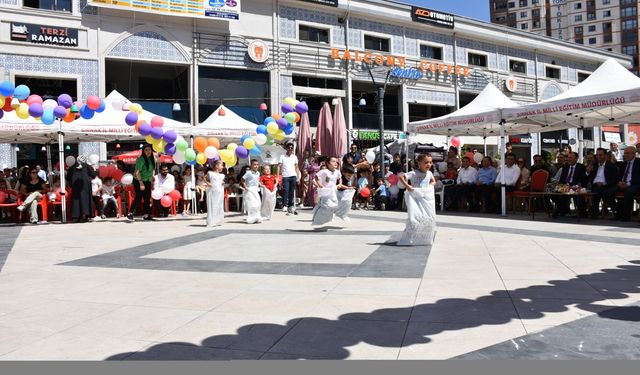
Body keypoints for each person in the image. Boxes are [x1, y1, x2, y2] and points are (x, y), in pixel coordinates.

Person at [397, 153, 436, 246]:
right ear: (419, 163)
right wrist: (408, 186)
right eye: (426, 162)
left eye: (430, 162)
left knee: (427, 217)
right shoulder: (414, 173)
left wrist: (429, 187)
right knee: (414, 217)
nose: (429, 164)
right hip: (415, 198)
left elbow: (433, 181)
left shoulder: (429, 173)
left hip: (425, 198)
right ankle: (410, 237)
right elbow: (401, 177)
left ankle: (423, 239)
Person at [602, 146, 640, 222]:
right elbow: (618, 176)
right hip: (622, 184)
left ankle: (626, 216)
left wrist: (628, 184)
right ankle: (619, 211)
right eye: (625, 153)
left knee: (628, 192)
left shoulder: (638, 162)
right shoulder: (623, 164)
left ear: (633, 154)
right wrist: (619, 182)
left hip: (635, 184)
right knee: (606, 193)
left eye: (628, 153)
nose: (625, 155)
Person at [312, 156, 351, 226]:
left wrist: (340, 184)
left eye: (336, 161)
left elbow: (340, 178)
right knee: (328, 205)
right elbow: (316, 177)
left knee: (334, 204)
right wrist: (320, 185)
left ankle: (330, 215)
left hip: (333, 191)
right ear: (328, 163)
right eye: (333, 161)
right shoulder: (324, 171)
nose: (335, 163)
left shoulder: (337, 172)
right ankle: (317, 215)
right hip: (325, 191)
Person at [552, 152, 588, 218]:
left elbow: (582, 179)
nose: (569, 159)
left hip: (575, 186)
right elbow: (562, 180)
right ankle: (562, 209)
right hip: (565, 185)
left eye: (571, 158)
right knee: (554, 193)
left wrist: (574, 185)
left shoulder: (581, 167)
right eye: (568, 157)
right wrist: (559, 184)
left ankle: (581, 212)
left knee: (577, 193)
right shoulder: (565, 167)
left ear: (576, 159)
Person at [587, 148, 619, 219]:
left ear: (605, 156)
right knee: (594, 190)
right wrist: (588, 172)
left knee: (599, 192)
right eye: (597, 155)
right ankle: (592, 212)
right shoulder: (594, 165)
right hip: (594, 185)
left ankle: (594, 213)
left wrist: (604, 183)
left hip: (606, 185)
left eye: (600, 155)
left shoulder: (611, 166)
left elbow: (615, 179)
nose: (598, 157)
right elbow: (586, 177)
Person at [128, 145, 155, 221]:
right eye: (146, 150)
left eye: (149, 150)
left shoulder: (153, 159)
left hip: (147, 180)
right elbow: (137, 172)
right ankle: (130, 213)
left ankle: (146, 215)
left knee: (147, 198)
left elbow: (153, 169)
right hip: (138, 180)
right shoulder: (140, 159)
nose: (148, 151)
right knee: (139, 197)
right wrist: (141, 183)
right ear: (143, 151)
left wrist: (152, 176)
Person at [68, 156, 97, 222]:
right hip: (85, 185)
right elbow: (93, 175)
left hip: (75, 185)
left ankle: (76, 216)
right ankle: (85, 215)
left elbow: (68, 177)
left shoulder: (73, 167)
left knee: (76, 200)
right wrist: (95, 169)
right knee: (85, 199)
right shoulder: (87, 166)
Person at [277, 143, 300, 215]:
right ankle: (284, 205)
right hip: (285, 176)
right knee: (285, 190)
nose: (290, 149)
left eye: (291, 148)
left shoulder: (295, 157)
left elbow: (296, 167)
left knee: (291, 192)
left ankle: (290, 205)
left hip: (293, 175)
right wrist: (278, 176)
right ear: (286, 148)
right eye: (289, 148)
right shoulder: (282, 156)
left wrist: (298, 177)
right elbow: (278, 166)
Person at [241, 159, 263, 224]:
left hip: (255, 190)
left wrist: (260, 184)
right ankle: (251, 217)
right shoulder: (248, 173)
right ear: (251, 165)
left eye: (257, 165)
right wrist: (245, 187)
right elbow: (242, 179)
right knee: (252, 204)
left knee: (257, 203)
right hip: (250, 190)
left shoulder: (258, 173)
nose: (256, 166)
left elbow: (257, 180)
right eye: (254, 165)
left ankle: (257, 217)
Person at [205, 161, 225, 227]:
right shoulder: (210, 173)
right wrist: (208, 183)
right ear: (216, 166)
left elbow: (220, 181)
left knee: (219, 205)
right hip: (213, 191)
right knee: (213, 205)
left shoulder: (222, 175)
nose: (222, 167)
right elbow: (205, 178)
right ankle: (211, 221)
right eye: (221, 165)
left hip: (219, 191)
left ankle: (217, 220)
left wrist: (222, 182)